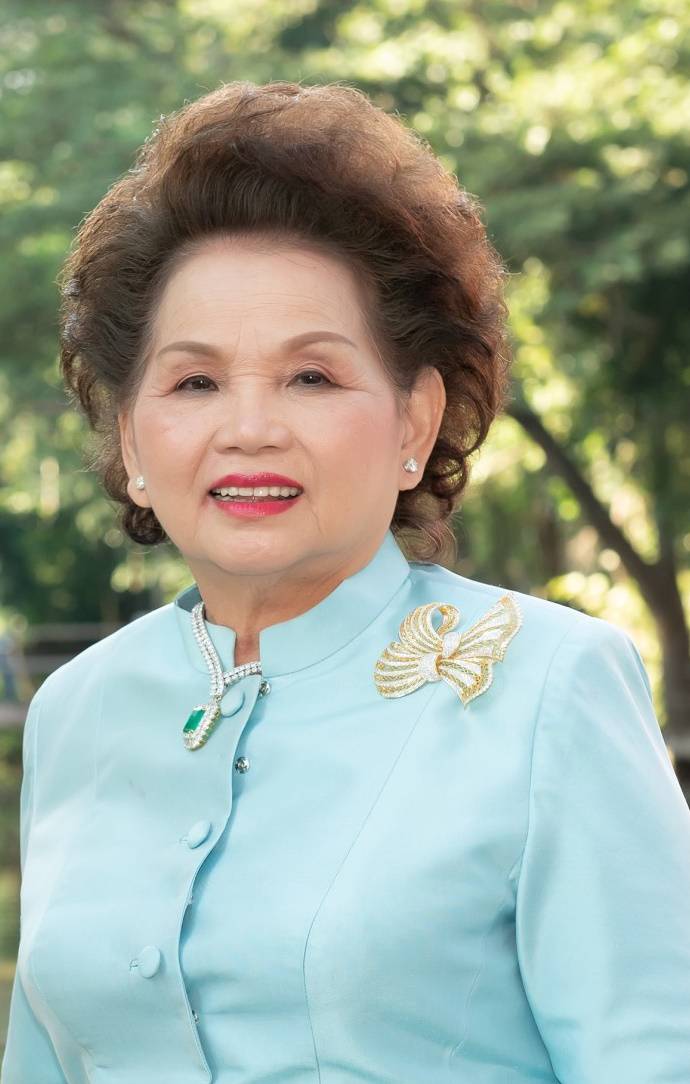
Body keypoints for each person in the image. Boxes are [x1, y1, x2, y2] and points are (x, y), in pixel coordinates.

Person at [3, 80, 690, 1084]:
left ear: (415, 420)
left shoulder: (552, 685)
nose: (250, 428)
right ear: (132, 439)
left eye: (312, 377)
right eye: (195, 381)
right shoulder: (77, 710)